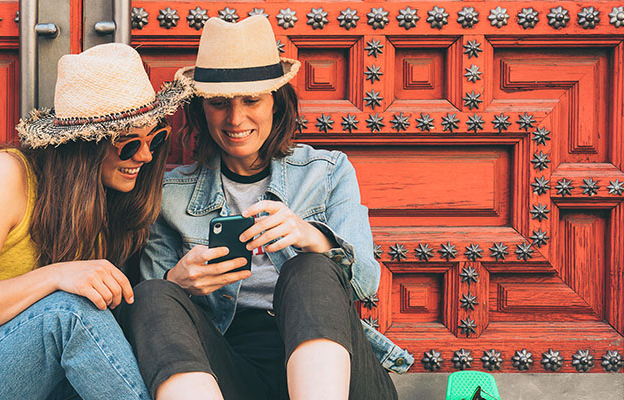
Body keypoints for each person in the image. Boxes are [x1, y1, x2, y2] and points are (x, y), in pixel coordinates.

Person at [120, 16, 412, 400]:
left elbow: (366, 284)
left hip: (334, 373)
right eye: (219, 103)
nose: (235, 118)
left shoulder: (327, 172)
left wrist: (312, 238)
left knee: (308, 268)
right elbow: (152, 317)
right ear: (200, 109)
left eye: (252, 100)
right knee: (154, 294)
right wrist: (177, 281)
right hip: (229, 370)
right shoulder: (170, 193)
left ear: (277, 102)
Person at [0, 43, 192, 400]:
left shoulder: (102, 204)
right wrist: (56, 275)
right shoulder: (7, 175)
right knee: (70, 312)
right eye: (128, 144)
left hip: (35, 381)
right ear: (84, 145)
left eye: (155, 139)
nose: (144, 156)